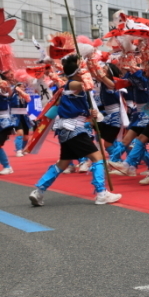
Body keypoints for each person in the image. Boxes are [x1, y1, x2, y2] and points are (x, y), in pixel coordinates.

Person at [29, 55, 122, 206]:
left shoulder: (75, 85)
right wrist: (90, 71)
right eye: (81, 66)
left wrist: (90, 114)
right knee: (97, 157)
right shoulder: (73, 84)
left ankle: (39, 190)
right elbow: (82, 85)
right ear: (78, 71)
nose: (84, 68)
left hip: (68, 129)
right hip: (74, 129)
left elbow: (80, 103)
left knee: (63, 164)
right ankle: (101, 193)